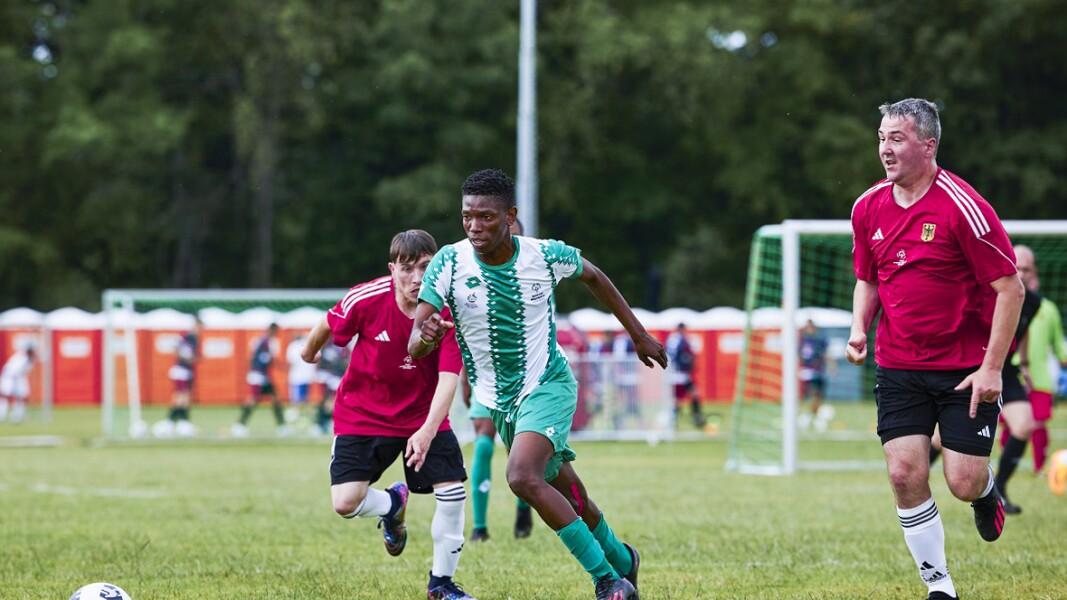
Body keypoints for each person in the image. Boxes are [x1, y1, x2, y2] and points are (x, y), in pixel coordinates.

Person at [409, 168, 667, 600]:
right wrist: (426, 337)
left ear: (510, 216)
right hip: (500, 402)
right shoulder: (448, 263)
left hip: (548, 384)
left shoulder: (544, 255)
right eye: (467, 216)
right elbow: (416, 340)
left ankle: (608, 580)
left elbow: (595, 277)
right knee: (568, 490)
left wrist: (637, 333)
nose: (474, 226)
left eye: (486, 217)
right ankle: (625, 561)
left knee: (522, 476)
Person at [847, 98, 1024, 600]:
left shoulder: (964, 207)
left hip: (966, 368)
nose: (885, 148)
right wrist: (860, 327)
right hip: (899, 364)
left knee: (962, 481)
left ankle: (987, 493)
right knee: (905, 473)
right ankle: (939, 586)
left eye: (896, 138)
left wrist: (993, 369)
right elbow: (868, 280)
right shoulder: (867, 206)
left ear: (929, 145)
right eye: (881, 137)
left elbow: (1011, 290)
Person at [301, 229, 476, 600]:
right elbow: (329, 323)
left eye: (426, 268)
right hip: (362, 413)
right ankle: (392, 504)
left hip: (422, 415)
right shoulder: (366, 298)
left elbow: (448, 378)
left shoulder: (447, 309)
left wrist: (429, 430)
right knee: (345, 503)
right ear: (392, 269)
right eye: (407, 268)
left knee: (453, 491)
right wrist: (307, 353)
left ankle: (441, 584)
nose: (417, 278)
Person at [465, 217, 534, 543]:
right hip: (485, 372)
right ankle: (479, 526)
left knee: (517, 446)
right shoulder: (470, 274)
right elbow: (466, 330)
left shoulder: (534, 276)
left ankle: (523, 505)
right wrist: (466, 375)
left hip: (526, 376)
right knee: (483, 441)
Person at [1010, 245, 1067, 477]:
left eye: (1027, 269)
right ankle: (1009, 462)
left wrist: (1063, 359)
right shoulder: (1000, 298)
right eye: (1017, 268)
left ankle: (1039, 466)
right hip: (1009, 372)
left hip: (1040, 375)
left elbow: (1057, 344)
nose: (1022, 274)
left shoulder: (1047, 308)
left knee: (1038, 422)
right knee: (1010, 423)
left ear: (1034, 273)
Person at [231, 323, 288, 437]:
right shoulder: (267, 342)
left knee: (275, 399)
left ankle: (282, 426)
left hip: (263, 376)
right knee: (252, 400)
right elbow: (267, 359)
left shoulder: (260, 340)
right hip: (258, 376)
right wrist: (282, 366)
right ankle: (239, 425)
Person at [159, 317, 201, 436]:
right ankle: (175, 422)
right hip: (181, 370)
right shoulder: (185, 337)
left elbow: (195, 356)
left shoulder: (196, 340)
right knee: (182, 397)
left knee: (185, 397)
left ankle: (175, 422)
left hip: (188, 371)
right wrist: (186, 359)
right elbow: (176, 350)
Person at [665, 323, 706, 428]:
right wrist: (691, 365)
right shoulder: (682, 341)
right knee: (682, 397)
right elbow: (685, 357)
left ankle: (692, 418)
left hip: (673, 372)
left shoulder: (670, 339)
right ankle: (693, 418)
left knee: (690, 394)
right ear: (682, 330)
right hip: (681, 373)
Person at [798, 319, 835, 431]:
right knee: (809, 394)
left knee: (818, 393)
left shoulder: (819, 339)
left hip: (818, 370)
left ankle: (812, 415)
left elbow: (826, 353)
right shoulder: (802, 339)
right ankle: (808, 415)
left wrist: (831, 365)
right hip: (806, 371)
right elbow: (799, 355)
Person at [285, 334, 318, 427]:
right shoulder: (308, 344)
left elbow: (291, 362)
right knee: (305, 400)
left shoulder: (293, 346)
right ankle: (310, 420)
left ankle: (295, 420)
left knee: (297, 401)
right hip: (307, 376)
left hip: (297, 377)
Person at [0, 343, 36, 424]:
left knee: (22, 397)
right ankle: (1, 414)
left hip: (20, 378)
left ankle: (17, 416)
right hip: (10, 377)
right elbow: (13, 369)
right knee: (5, 395)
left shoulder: (29, 359)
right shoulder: (20, 357)